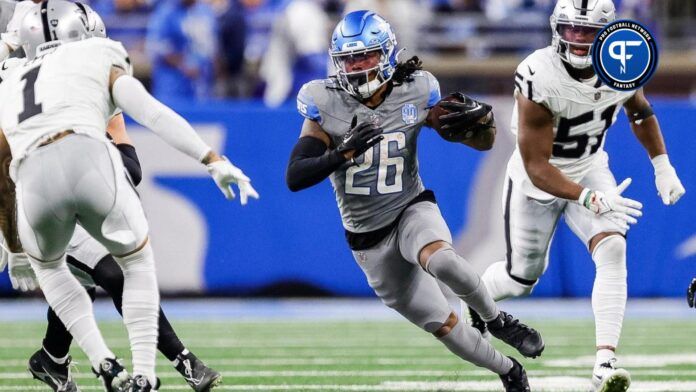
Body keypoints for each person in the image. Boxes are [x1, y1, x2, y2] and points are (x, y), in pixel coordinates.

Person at [0, 1, 257, 390]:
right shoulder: (94, 57)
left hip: (28, 187)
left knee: (56, 270)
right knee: (132, 265)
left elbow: (4, 162)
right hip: (82, 163)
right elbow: (151, 113)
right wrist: (210, 158)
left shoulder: (13, 76)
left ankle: (92, 359)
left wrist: (15, 245)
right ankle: (145, 373)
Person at [286, 10, 545, 392]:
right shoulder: (325, 102)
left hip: (410, 207)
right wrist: (343, 153)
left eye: (365, 56)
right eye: (348, 58)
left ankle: (496, 319)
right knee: (444, 325)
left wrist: (483, 123)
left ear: (387, 54)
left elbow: (483, 142)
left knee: (439, 258)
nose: (356, 66)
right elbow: (296, 175)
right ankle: (510, 371)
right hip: (367, 239)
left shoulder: (417, 89)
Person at [475, 0, 685, 391]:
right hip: (535, 179)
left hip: (589, 165)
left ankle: (605, 362)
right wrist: (588, 198)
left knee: (613, 249)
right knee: (522, 278)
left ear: (605, 34)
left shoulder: (621, 62)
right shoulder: (538, 73)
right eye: (570, 29)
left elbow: (640, 111)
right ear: (556, 28)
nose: (577, 39)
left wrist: (662, 166)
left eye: (587, 31)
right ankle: (478, 299)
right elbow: (538, 166)